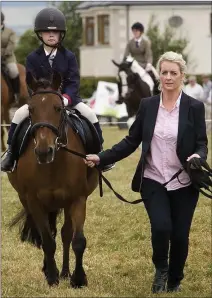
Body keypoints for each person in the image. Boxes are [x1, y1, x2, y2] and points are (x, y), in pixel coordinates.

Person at [84, 51, 208, 293]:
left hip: (184, 181)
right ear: (158, 75)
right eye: (164, 72)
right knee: (161, 227)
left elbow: (202, 143)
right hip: (153, 179)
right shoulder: (148, 106)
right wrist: (101, 157)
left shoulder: (195, 107)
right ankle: (161, 270)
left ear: (182, 76)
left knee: (180, 236)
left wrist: (198, 156)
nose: (168, 77)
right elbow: (131, 141)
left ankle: (175, 279)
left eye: (174, 73)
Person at [1, 7, 114, 173]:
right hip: (42, 103)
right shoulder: (32, 58)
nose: (51, 35)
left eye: (55, 32)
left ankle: (100, 153)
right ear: (40, 34)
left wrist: (66, 98)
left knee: (90, 114)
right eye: (47, 32)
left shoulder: (69, 56)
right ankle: (11, 154)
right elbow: (31, 83)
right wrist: (39, 100)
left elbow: (74, 81)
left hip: (68, 100)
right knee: (18, 115)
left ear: (61, 34)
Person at [123, 22, 158, 90]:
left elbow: (149, 54)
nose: (135, 32)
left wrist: (149, 63)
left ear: (141, 32)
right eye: (133, 31)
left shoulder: (145, 42)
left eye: (137, 31)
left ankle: (157, 89)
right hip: (133, 64)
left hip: (144, 64)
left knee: (155, 75)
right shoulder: (130, 43)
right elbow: (126, 55)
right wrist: (124, 63)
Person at [1, 11, 20, 104]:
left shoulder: (10, 32)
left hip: (7, 57)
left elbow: (12, 44)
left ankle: (16, 94)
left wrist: (4, 54)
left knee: (13, 71)